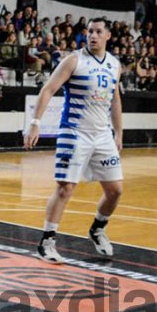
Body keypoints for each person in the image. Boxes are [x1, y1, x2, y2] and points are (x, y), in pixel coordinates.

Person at [24, 18, 122, 264]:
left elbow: (115, 99)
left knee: (115, 190)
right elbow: (48, 89)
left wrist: (119, 132)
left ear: (108, 36)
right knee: (66, 187)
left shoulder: (114, 64)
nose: (93, 35)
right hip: (75, 131)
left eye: (98, 32)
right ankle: (47, 241)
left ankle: (97, 229)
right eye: (90, 31)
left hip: (102, 134)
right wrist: (35, 123)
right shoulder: (74, 60)